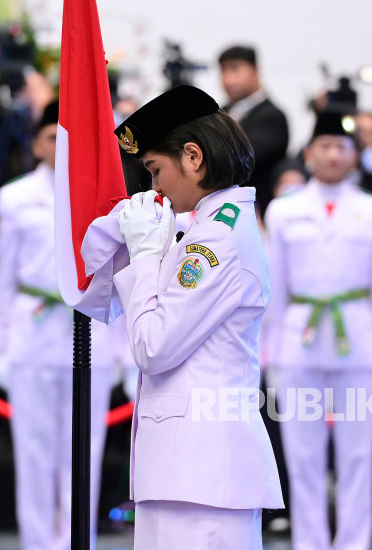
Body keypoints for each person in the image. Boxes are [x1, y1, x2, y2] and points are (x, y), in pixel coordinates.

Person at [112, 85, 282, 549]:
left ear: (192, 157)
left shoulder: (216, 240)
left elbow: (154, 345)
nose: (154, 187)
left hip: (202, 470)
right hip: (187, 470)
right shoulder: (208, 228)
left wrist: (146, 256)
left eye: (155, 169)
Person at [0, 100, 131, 549]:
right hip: (31, 331)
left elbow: (123, 273)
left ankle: (80, 541)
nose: (60, 146)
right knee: (33, 449)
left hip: (90, 327)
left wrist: (126, 347)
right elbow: (0, 274)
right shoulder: (13, 197)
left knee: (83, 448)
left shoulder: (105, 198)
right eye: (52, 137)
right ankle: (37, 542)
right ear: (36, 143)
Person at [264, 110, 372, 550]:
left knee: (358, 454)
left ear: (355, 154)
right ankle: (311, 543)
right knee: (303, 457)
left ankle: (354, 543)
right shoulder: (283, 212)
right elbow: (275, 291)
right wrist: (272, 358)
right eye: (324, 146)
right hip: (299, 342)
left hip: (358, 341)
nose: (333, 154)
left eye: (342, 147)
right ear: (308, 153)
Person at [218, 45, 289, 218]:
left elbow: (247, 160)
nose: (228, 79)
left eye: (235, 69)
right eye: (223, 71)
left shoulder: (273, 116)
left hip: (257, 211)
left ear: (256, 72)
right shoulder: (219, 112)